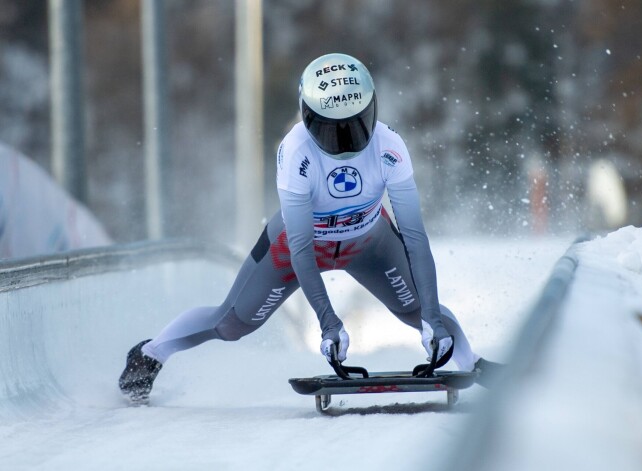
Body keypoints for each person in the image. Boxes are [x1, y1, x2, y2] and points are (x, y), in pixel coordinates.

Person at [119, 53, 500, 404]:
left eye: (356, 126)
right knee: (232, 324)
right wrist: (329, 323)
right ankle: (151, 353)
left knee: (417, 309)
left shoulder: (390, 145)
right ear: (306, 117)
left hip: (369, 242)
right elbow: (301, 250)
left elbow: (415, 236)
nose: (346, 142)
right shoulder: (296, 152)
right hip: (299, 247)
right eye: (332, 131)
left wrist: (432, 318)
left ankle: (471, 360)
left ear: (373, 110)